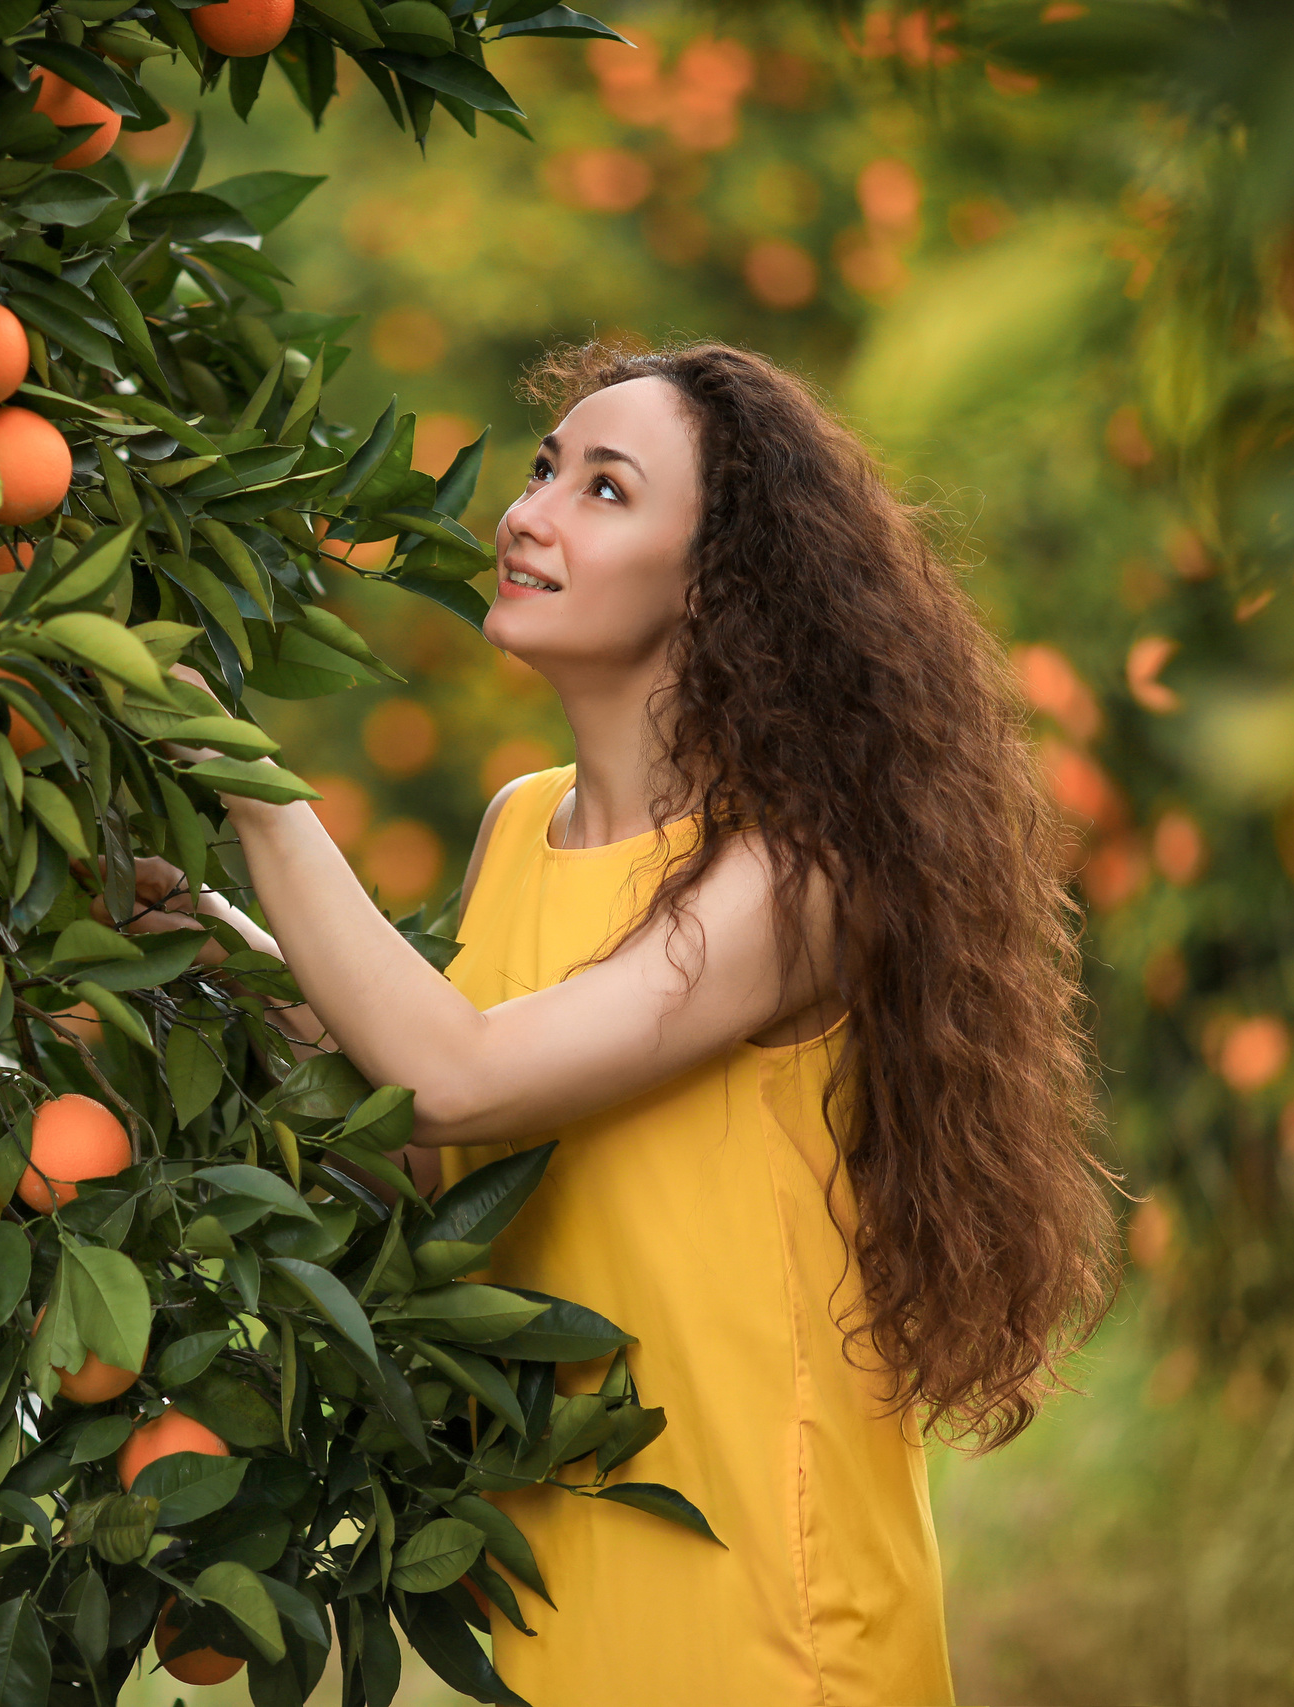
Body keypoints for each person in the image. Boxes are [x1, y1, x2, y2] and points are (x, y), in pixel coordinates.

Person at [111, 339, 1117, 1703]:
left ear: (721, 581)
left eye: (603, 488)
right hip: (553, 1568)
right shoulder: (519, 826)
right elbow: (435, 1158)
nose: (526, 513)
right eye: (543, 470)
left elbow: (456, 1076)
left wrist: (241, 775)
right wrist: (198, 947)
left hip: (758, 1600)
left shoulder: (797, 872)